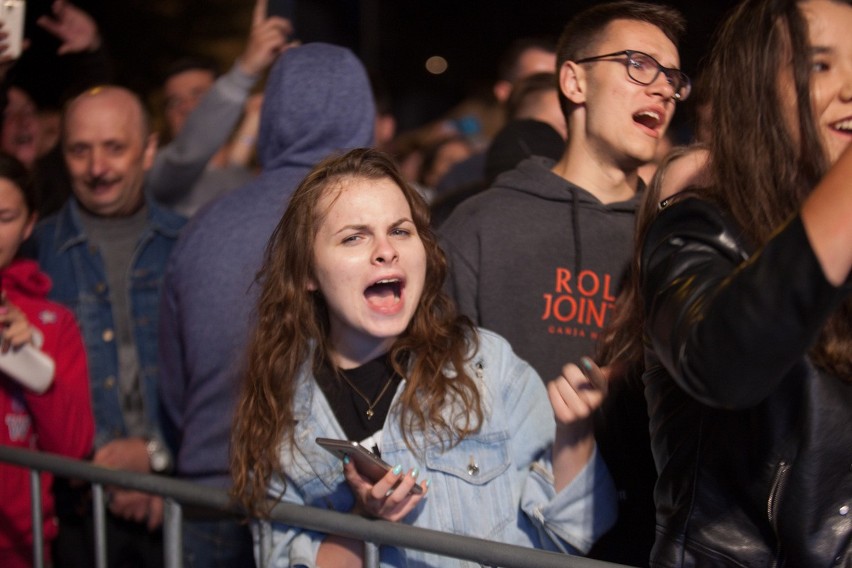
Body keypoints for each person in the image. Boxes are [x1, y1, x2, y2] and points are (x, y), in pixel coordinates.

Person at [229, 147, 616, 567]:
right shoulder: (284, 406)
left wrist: (574, 433)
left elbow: (569, 537)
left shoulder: (485, 365)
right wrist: (365, 519)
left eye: (400, 230)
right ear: (307, 273)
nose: (385, 250)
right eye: (354, 237)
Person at [601, 0, 852, 565]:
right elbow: (726, 361)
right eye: (820, 66)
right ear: (757, 94)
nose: (850, 87)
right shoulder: (695, 232)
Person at [439, 3, 689, 565]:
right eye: (638, 65)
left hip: (653, 541)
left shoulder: (678, 235)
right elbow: (433, 395)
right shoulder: (484, 224)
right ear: (574, 80)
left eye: (673, 77)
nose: (664, 90)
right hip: (514, 539)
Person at [157, 42, 375, 568]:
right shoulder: (388, 227)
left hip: (212, 496)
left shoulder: (205, 226)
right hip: (337, 515)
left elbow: (171, 383)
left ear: (271, 114)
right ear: (363, 115)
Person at [25, 85, 186, 567]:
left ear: (149, 150)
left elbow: (217, 377)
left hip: (180, 504)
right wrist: (101, 468)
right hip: (72, 510)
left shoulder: (189, 242)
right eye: (80, 150)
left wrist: (156, 457)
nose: (97, 168)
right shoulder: (34, 250)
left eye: (115, 147)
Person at [0, 152, 93, 568]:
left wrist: (27, 361)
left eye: (4, 217)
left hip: (24, 546)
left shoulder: (51, 321)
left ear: (29, 224)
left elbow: (72, 451)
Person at [145, 0, 293, 216]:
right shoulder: (160, 176)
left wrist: (289, 72)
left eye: (198, 95)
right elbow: (188, 155)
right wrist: (246, 70)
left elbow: (232, 163)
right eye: (175, 101)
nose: (185, 108)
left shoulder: (243, 175)